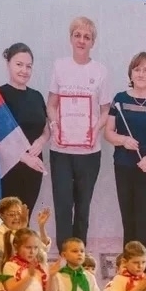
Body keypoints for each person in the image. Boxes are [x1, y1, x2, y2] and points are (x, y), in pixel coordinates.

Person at [46, 17, 112, 249]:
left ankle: (78, 254)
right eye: (77, 35)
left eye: (87, 37)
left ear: (93, 42)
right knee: (63, 205)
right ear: (71, 38)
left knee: (83, 207)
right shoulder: (59, 66)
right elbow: (51, 105)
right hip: (61, 150)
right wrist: (56, 126)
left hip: (89, 151)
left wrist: (95, 130)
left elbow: (106, 111)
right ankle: (64, 255)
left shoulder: (101, 71)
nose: (82, 40)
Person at [105, 52, 146, 250]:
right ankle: (128, 263)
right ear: (131, 74)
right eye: (137, 69)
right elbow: (108, 133)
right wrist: (123, 140)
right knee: (127, 218)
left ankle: (141, 265)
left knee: (143, 219)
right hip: (123, 166)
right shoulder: (119, 99)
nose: (141, 74)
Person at [0, 43, 49, 213]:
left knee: (25, 217)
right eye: (19, 64)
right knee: (8, 219)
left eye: (28, 66)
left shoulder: (36, 96)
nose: (24, 70)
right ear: (8, 64)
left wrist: (41, 141)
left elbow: (46, 127)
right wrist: (24, 157)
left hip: (34, 166)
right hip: (9, 167)